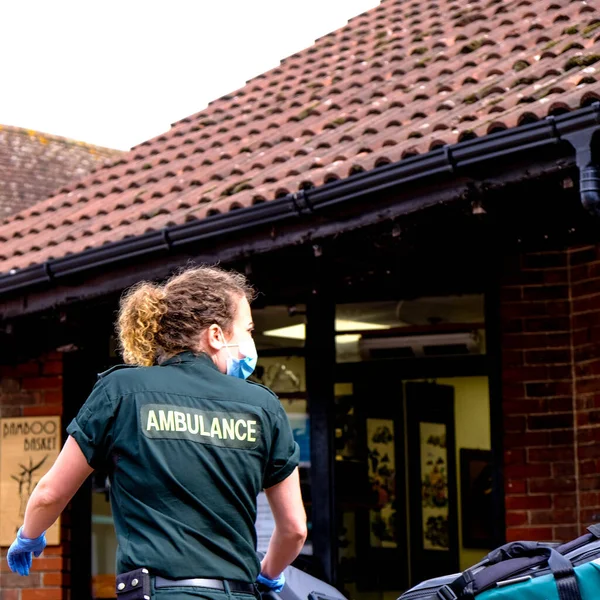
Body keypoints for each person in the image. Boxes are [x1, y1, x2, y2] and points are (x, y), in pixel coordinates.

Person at [7, 265, 307, 600]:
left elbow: (51, 494)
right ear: (216, 335)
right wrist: (266, 575)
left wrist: (29, 536)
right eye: (247, 330)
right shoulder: (263, 406)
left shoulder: (120, 392)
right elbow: (294, 529)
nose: (251, 342)